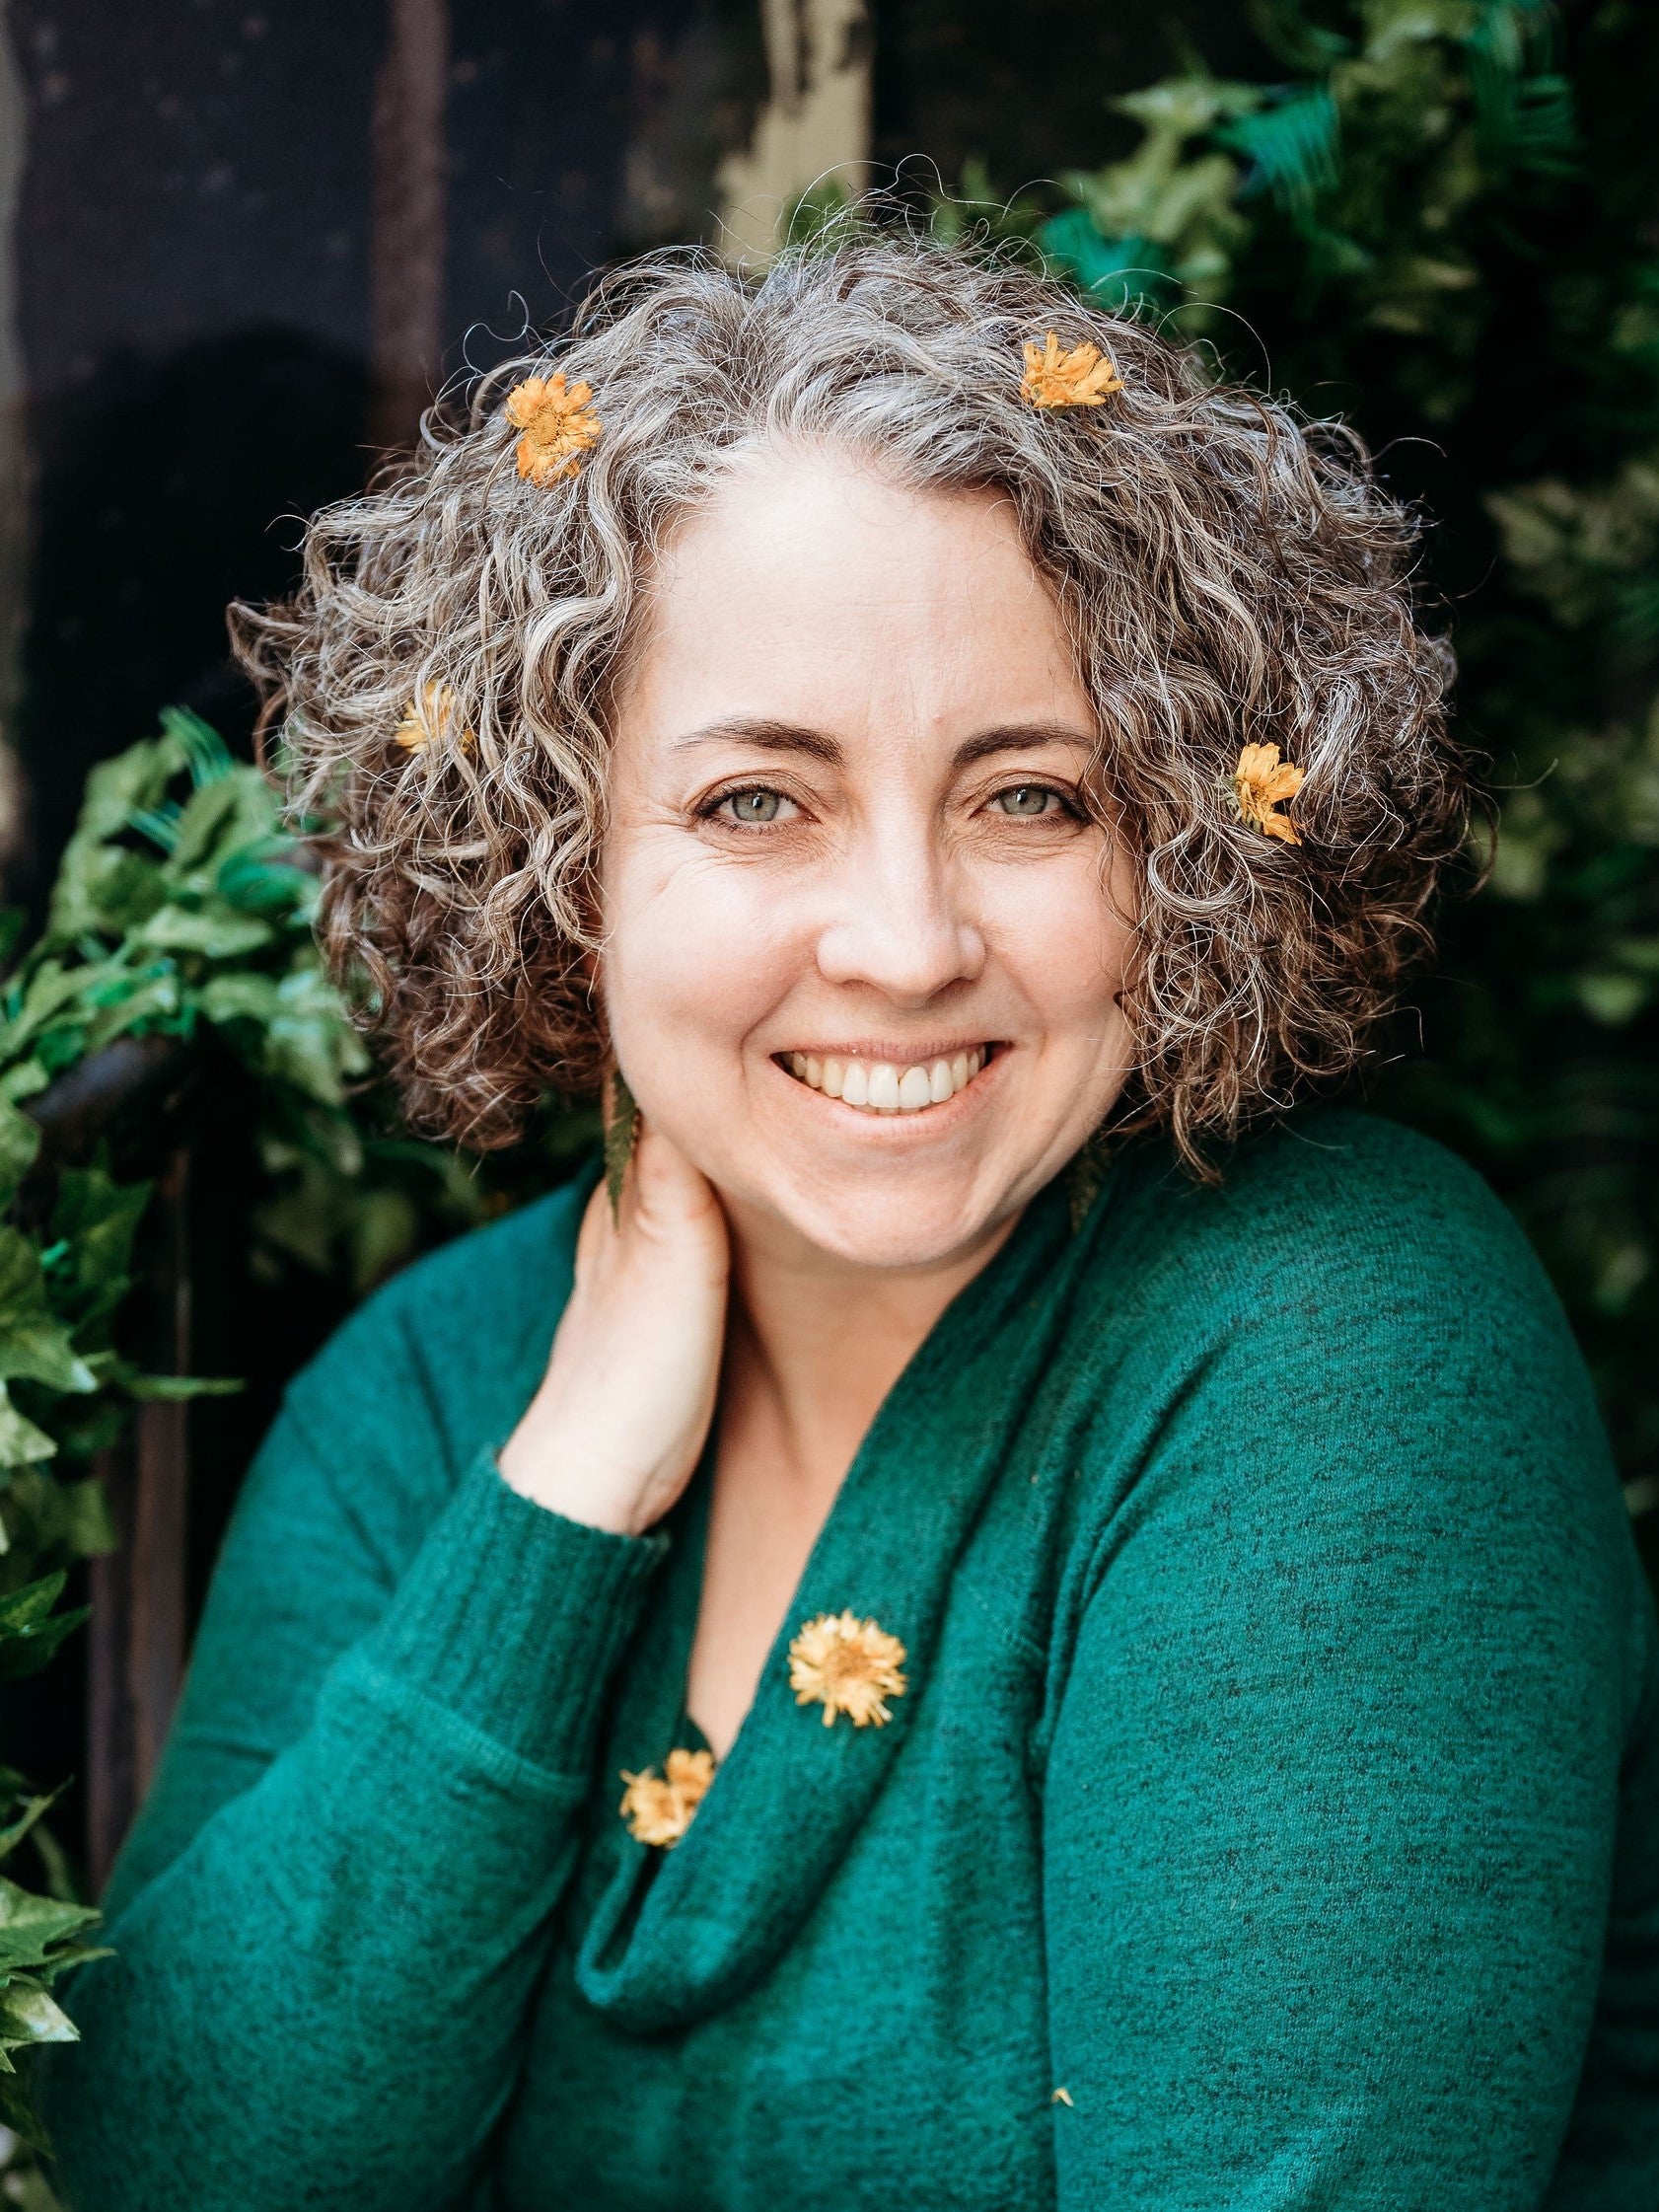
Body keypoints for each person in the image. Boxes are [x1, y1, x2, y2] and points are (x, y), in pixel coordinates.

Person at [37, 235, 1659, 2211]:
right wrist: (561, 1499)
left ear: (1184, 842)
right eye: (755, 803)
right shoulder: (431, 1388)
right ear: (561, 860)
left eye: (1032, 798)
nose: (903, 941)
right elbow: (175, 2174)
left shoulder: (1329, 1337)